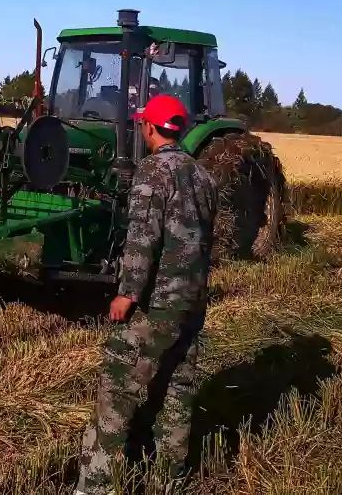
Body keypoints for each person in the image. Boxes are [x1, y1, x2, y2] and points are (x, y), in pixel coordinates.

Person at [75, 94, 218, 494]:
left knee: (116, 394)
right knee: (177, 390)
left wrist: (127, 294)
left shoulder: (152, 172)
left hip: (156, 305)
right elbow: (204, 242)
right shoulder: (205, 177)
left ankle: (94, 486)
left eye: (143, 124)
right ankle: (169, 480)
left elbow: (142, 238)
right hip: (192, 303)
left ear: (150, 128)